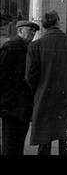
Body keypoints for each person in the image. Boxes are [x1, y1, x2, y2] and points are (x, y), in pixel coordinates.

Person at [25, 11, 67, 155]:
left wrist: (37, 91)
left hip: (44, 96)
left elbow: (30, 76)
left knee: (44, 139)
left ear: (44, 25)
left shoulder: (35, 45)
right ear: (58, 22)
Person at [0, 20, 39, 155]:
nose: (33, 33)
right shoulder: (11, 47)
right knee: (10, 143)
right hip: (11, 105)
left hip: (22, 105)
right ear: (20, 31)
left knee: (17, 142)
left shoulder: (27, 47)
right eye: (30, 30)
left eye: (34, 31)